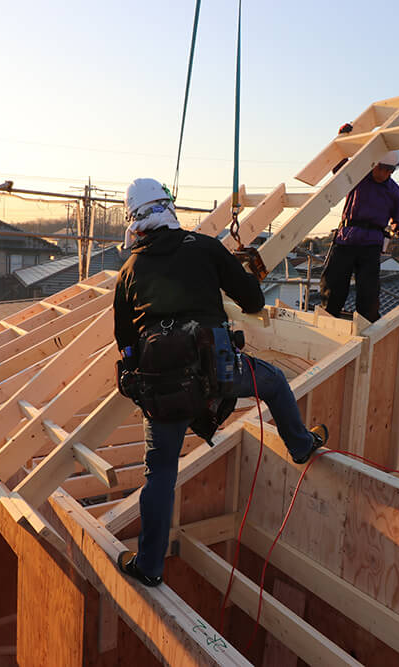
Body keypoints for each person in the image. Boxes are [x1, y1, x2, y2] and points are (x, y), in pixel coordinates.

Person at [113, 177, 328, 587]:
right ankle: (300, 445)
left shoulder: (129, 270)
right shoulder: (204, 247)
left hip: (163, 390)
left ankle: (150, 566)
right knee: (275, 383)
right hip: (219, 372)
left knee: (159, 474)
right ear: (169, 208)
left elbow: (125, 343)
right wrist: (239, 273)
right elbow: (252, 302)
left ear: (135, 221)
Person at [320, 140, 399, 322]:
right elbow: (338, 165)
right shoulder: (357, 176)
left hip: (371, 246)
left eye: (390, 170)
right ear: (373, 163)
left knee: (368, 292)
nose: (385, 174)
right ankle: (327, 321)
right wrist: (344, 137)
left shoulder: (393, 190)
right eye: (382, 168)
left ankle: (367, 329)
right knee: (333, 287)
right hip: (346, 240)